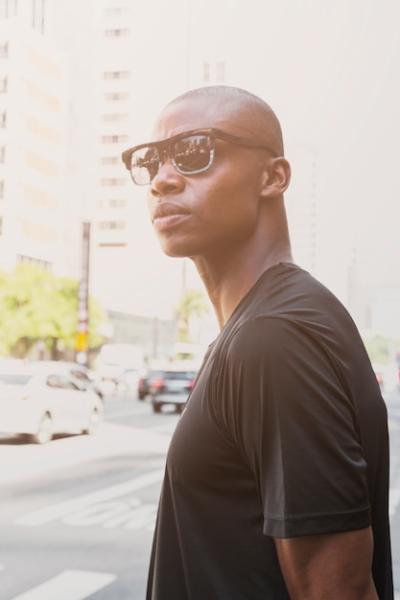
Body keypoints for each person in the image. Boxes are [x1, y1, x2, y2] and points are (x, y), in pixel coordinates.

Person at [121, 86, 393, 600]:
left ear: (274, 177)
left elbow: (338, 592)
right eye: (150, 161)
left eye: (195, 152)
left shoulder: (278, 335)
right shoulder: (258, 326)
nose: (162, 180)